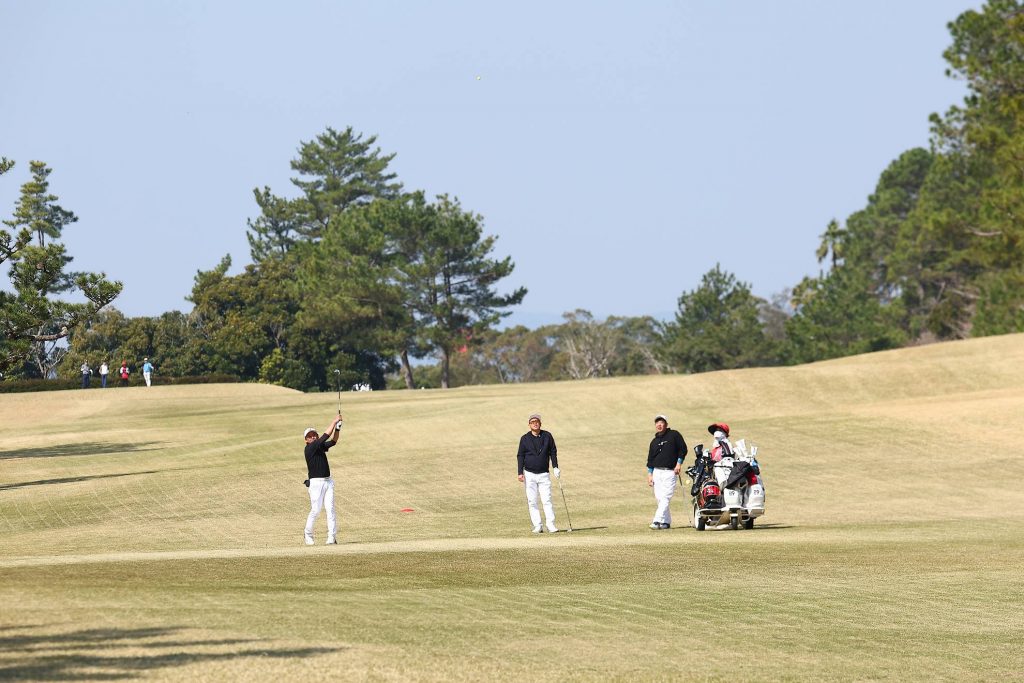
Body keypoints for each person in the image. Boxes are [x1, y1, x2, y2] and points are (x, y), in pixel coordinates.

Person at [303, 414, 343, 545]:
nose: (313, 437)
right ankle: (308, 534)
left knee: (330, 509)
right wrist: (334, 421)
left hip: (328, 482)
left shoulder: (319, 446)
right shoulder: (309, 448)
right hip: (316, 484)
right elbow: (326, 435)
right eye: (310, 436)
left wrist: (337, 428)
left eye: (314, 435)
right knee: (316, 510)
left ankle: (331, 537)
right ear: (306, 440)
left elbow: (333, 441)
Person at [516, 413, 560, 533]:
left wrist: (555, 467)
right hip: (529, 474)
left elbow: (553, 452)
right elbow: (520, 455)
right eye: (532, 422)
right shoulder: (524, 438)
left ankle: (550, 525)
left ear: (540, 423)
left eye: (537, 422)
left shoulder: (547, 436)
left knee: (547, 500)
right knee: (532, 501)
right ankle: (537, 525)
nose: (535, 424)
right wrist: (520, 472)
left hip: (544, 474)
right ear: (529, 425)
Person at [646, 414, 688, 529]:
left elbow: (683, 449)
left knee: (665, 497)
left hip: (670, 472)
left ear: (666, 424)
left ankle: (656, 520)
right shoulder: (654, 441)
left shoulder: (674, 435)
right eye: (657, 423)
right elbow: (650, 459)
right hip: (656, 472)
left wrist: (679, 464)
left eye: (662, 422)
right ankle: (666, 522)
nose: (659, 425)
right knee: (659, 498)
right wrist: (650, 474)